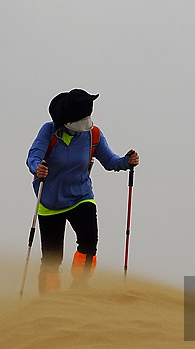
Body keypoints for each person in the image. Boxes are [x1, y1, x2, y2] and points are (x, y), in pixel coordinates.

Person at [26, 88, 139, 293]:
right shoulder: (48, 131)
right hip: (49, 203)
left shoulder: (93, 134)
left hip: (81, 197)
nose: (84, 124)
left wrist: (126, 161)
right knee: (52, 260)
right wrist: (37, 168)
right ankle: (48, 303)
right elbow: (33, 156)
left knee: (89, 243)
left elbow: (110, 161)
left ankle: (79, 287)